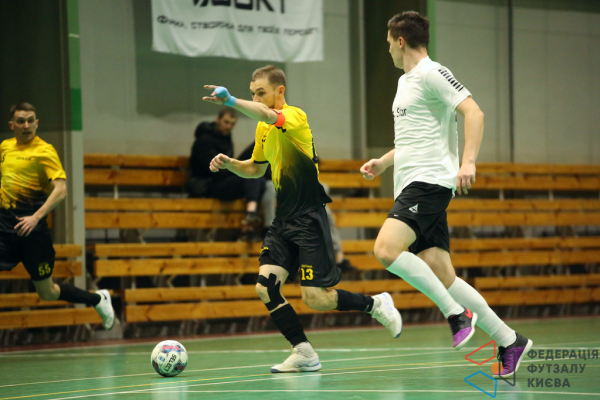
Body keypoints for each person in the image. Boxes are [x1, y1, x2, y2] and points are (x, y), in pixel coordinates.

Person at [360, 12, 532, 379]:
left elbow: (474, 113)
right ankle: (509, 340)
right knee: (444, 275)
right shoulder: (404, 82)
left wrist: (467, 162)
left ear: (400, 41)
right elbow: (414, 139)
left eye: (389, 42)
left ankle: (456, 314)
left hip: (430, 182)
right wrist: (384, 162)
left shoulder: (433, 73)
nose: (387, 48)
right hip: (411, 181)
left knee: (386, 250)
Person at [203, 65, 402, 373]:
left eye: (261, 93)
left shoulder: (294, 117)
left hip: (309, 219)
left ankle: (375, 305)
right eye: (252, 93)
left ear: (279, 91)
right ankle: (303, 351)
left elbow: (266, 114)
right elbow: (256, 168)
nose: (256, 99)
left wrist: (230, 101)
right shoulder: (262, 129)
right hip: (283, 220)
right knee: (265, 287)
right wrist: (231, 164)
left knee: (316, 298)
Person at [0, 103, 114, 330]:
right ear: (12, 125)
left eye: (30, 121)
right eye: (21, 121)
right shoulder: (5, 147)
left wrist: (35, 217)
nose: (26, 126)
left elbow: (61, 190)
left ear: (37, 124)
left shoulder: (45, 151)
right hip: (5, 230)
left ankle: (97, 299)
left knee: (47, 292)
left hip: (34, 234)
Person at [238, 141, 357, 273]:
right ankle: (271, 233)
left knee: (324, 209)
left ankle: (338, 256)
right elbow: (253, 168)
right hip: (276, 190)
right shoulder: (264, 144)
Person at [187, 108, 266, 240]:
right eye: (226, 122)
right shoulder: (204, 140)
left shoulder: (225, 137)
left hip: (221, 180)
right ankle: (250, 216)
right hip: (207, 186)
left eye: (232, 124)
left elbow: (225, 168)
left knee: (259, 178)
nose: (229, 126)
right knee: (251, 176)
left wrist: (236, 166)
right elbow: (215, 170)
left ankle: (249, 222)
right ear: (218, 120)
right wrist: (236, 168)